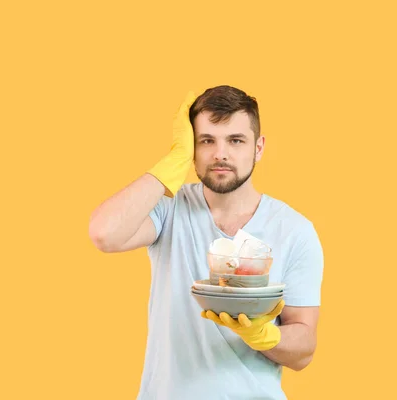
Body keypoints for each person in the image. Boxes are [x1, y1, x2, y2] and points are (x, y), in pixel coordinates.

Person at [88, 85, 324, 400]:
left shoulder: (295, 231)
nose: (220, 154)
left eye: (236, 140)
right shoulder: (169, 208)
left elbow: (304, 349)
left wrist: (264, 336)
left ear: (259, 147)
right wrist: (174, 160)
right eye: (206, 141)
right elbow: (104, 233)